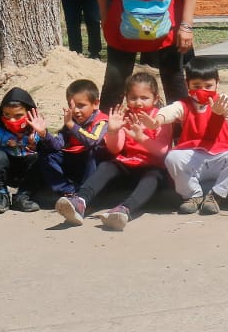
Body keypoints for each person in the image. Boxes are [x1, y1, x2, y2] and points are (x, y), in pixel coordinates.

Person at [54, 72, 172, 231]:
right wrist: (113, 131)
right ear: (126, 97)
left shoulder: (160, 119)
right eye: (133, 97)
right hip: (128, 164)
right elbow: (115, 149)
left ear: (155, 99)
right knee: (107, 166)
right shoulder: (124, 116)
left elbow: (162, 152)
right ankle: (81, 201)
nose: (138, 102)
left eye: (144, 98)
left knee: (152, 177)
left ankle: (124, 210)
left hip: (152, 167)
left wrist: (140, 137)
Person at [145, 57, 228, 215]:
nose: (203, 90)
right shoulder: (184, 105)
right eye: (197, 86)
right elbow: (171, 111)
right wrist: (157, 121)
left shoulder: (221, 101)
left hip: (220, 155)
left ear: (217, 83)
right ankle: (193, 196)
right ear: (187, 84)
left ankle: (216, 195)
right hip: (194, 158)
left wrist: (220, 111)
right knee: (173, 158)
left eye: (208, 86)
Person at [37, 79, 109, 198]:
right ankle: (68, 190)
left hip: (91, 165)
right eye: (72, 106)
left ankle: (85, 194)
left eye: (81, 106)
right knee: (46, 153)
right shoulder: (71, 122)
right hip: (74, 161)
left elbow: (92, 141)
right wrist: (44, 134)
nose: (76, 111)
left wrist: (71, 125)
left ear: (95, 104)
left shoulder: (102, 121)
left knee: (94, 151)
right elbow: (58, 144)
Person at [0, 88, 42, 214]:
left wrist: (39, 140)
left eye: (18, 115)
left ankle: (23, 196)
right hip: (5, 170)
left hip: (27, 171)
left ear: (29, 113)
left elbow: (51, 151)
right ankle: (2, 196)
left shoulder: (38, 129)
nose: (12, 120)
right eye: (7, 115)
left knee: (41, 159)